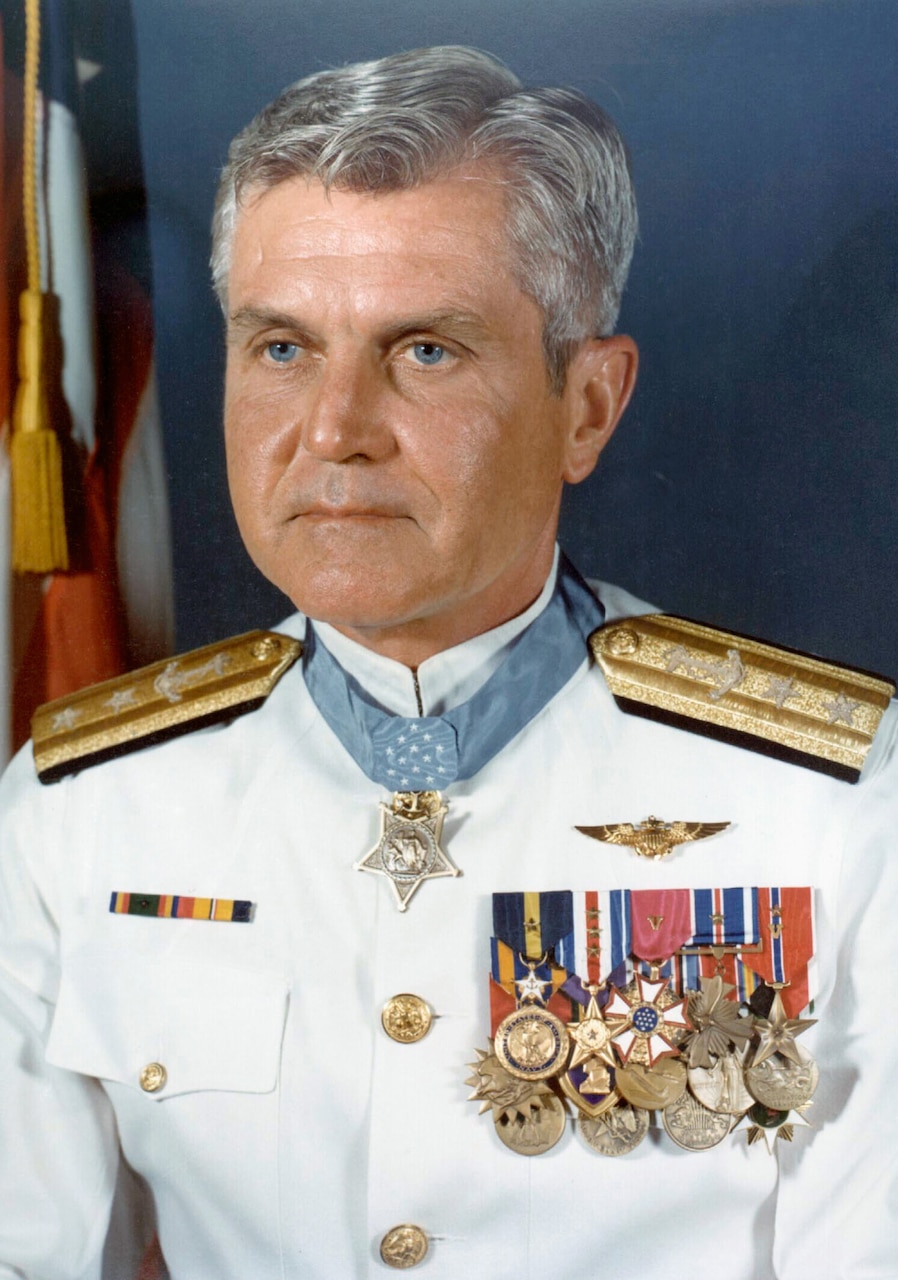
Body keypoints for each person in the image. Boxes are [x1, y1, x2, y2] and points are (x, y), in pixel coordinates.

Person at [1, 45, 896, 1280]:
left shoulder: (835, 809)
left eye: (424, 350)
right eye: (280, 349)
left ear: (586, 404)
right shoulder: (79, 806)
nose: (332, 429)